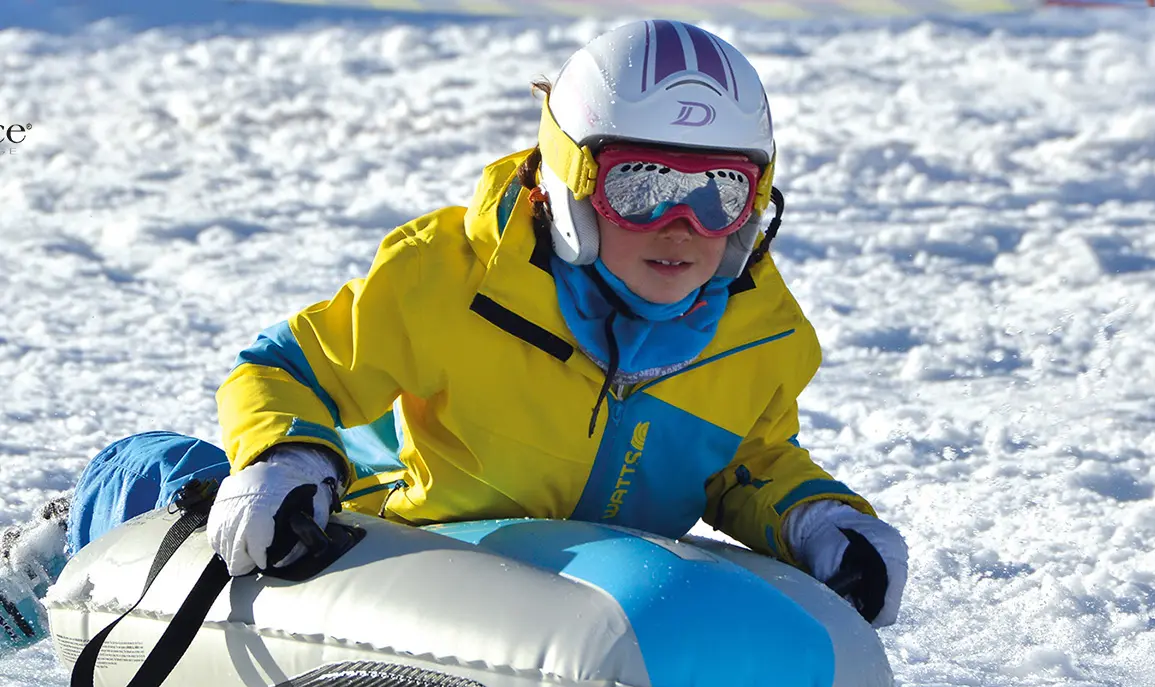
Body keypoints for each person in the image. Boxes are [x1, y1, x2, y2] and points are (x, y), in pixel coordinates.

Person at [61, 19, 908, 628]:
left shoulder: (760, 338)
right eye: (643, 186)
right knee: (208, 500)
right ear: (573, 185)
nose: (683, 224)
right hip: (380, 537)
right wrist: (289, 457)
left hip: (566, 599)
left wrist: (816, 520)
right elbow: (286, 367)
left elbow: (744, 464)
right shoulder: (458, 279)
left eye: (720, 191)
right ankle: (84, 519)